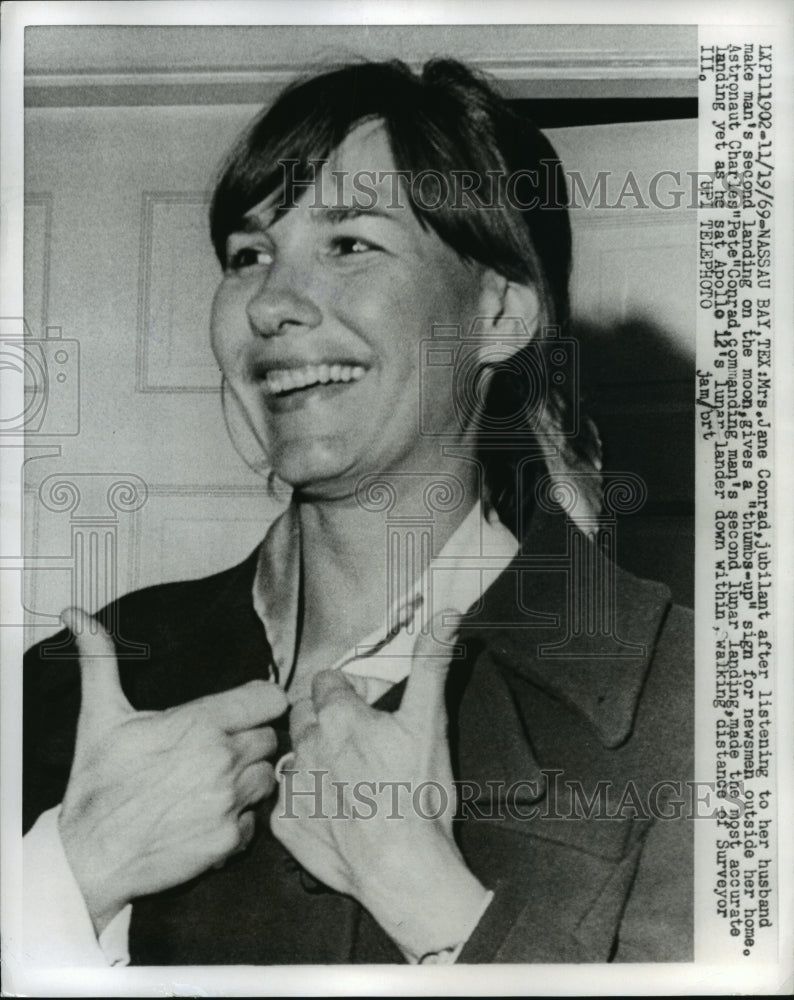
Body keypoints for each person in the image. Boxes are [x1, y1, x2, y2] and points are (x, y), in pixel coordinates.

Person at [23, 58, 693, 966]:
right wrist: (68, 875)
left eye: (350, 244)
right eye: (249, 255)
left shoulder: (694, 699)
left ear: (497, 314)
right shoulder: (76, 680)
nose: (270, 304)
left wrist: (433, 905)